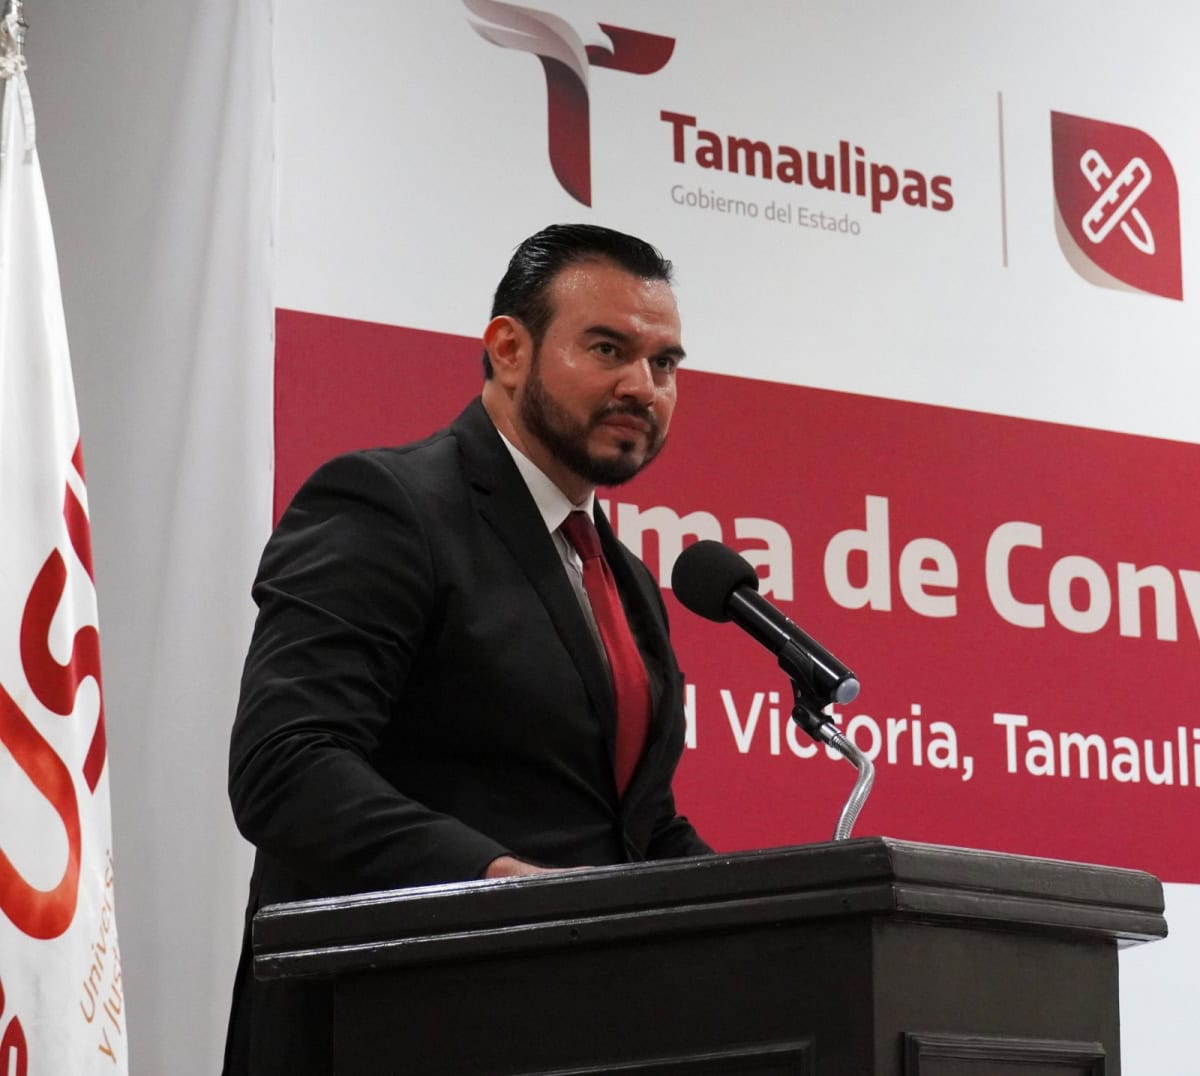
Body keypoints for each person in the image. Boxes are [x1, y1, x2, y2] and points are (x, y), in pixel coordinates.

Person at [222, 224, 711, 1074]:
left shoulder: (626, 579)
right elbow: (287, 766)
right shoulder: (385, 506)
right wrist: (493, 881)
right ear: (509, 350)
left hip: (577, 1031)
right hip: (390, 1025)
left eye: (664, 363)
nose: (642, 386)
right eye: (608, 349)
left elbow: (636, 825)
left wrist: (783, 912)